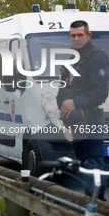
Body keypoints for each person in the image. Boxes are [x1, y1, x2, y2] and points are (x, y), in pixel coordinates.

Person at [58, 20, 108, 201]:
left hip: (92, 118)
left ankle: (97, 206)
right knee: (80, 163)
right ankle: (87, 204)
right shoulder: (72, 58)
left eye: (80, 35)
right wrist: (61, 107)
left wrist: (75, 102)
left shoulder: (97, 57)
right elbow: (63, 87)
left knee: (92, 165)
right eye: (73, 35)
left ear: (88, 35)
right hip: (75, 120)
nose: (76, 39)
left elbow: (101, 92)